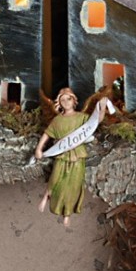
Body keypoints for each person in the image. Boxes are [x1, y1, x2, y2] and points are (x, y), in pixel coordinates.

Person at [34, 87, 90, 226]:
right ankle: (46, 197)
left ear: (73, 100)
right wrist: (39, 148)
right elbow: (47, 134)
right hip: (62, 154)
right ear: (59, 103)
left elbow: (94, 123)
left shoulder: (82, 117)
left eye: (68, 98)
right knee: (56, 178)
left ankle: (67, 213)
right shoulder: (57, 120)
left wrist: (103, 105)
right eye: (63, 100)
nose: (66, 102)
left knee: (73, 185)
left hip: (77, 155)